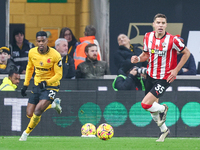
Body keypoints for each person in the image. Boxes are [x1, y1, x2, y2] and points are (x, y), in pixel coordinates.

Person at [131, 13, 190, 142]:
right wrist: (138, 58)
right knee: (152, 109)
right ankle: (164, 130)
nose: (160, 25)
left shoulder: (173, 40)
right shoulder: (147, 36)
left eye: (163, 23)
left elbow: (187, 53)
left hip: (165, 77)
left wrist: (176, 70)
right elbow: (146, 55)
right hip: (150, 75)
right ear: (154, 24)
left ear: (166, 25)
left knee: (145, 104)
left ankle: (164, 108)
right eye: (158, 23)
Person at [19, 31, 63, 141]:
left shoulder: (55, 55)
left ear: (47, 41)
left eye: (43, 41)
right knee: (30, 114)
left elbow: (59, 74)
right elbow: (29, 69)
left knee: (38, 110)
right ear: (36, 42)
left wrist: (47, 82)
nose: (41, 43)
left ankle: (25, 134)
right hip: (38, 85)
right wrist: (25, 85)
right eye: (39, 41)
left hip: (51, 85)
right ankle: (53, 105)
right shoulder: (32, 53)